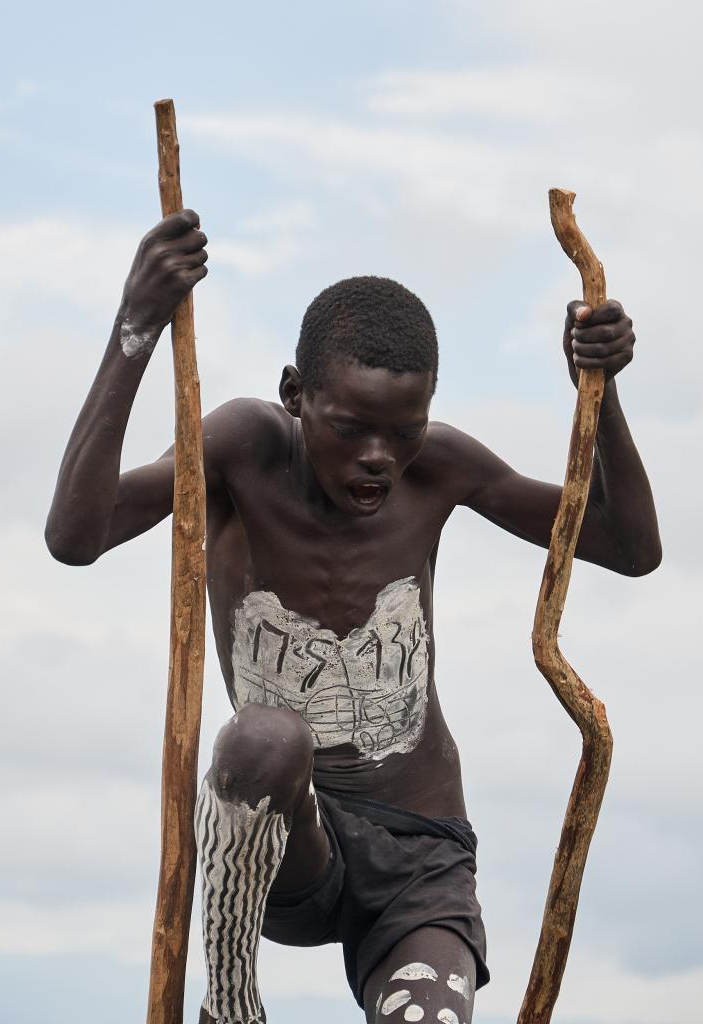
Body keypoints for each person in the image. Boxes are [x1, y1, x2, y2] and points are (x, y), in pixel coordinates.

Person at [45, 209, 661, 1024]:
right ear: (295, 396)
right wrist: (138, 325)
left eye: (401, 433)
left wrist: (601, 393)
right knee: (266, 738)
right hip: (282, 846)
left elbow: (627, 544)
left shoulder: (438, 468)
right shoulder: (241, 449)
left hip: (419, 855)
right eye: (349, 428)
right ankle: (229, 1001)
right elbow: (76, 536)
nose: (377, 456)